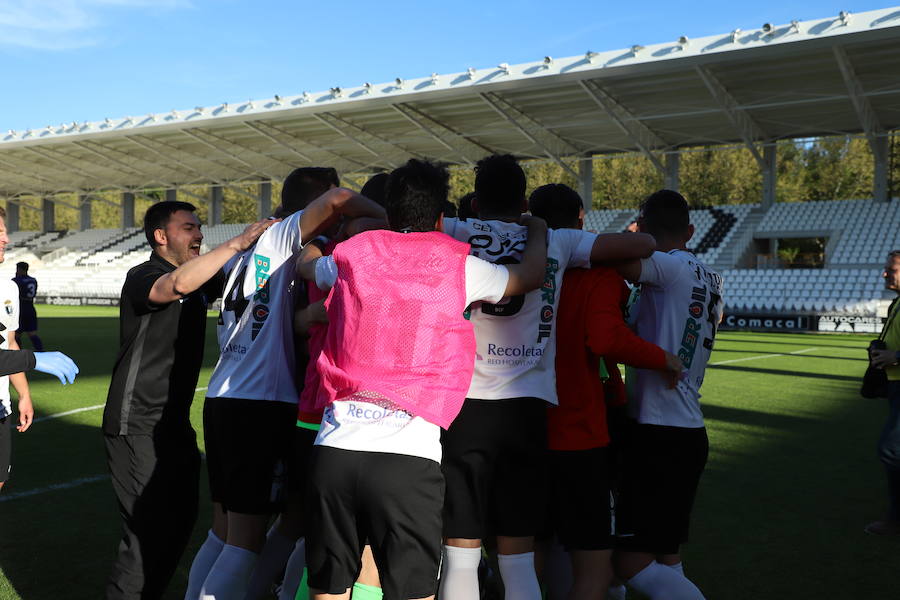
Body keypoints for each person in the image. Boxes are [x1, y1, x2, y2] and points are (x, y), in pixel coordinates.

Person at [297, 158, 548, 600]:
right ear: (440, 218)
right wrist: (539, 230)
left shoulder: (353, 255)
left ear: (388, 214)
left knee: (329, 592)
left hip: (334, 447)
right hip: (407, 454)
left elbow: (308, 267)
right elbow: (526, 277)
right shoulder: (458, 263)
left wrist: (315, 244)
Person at [437, 155, 656, 600]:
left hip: (464, 405)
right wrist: (543, 231)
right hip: (527, 410)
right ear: (522, 201)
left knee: (462, 553)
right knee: (519, 561)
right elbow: (644, 245)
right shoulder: (557, 239)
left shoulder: (454, 231)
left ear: (475, 202)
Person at [188, 175, 387, 600]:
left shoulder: (248, 249)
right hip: (259, 405)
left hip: (225, 396)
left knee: (223, 533)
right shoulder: (280, 238)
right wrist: (395, 223)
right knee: (245, 542)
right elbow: (339, 198)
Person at [103, 200, 275, 600]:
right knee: (147, 533)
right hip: (137, 423)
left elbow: (234, 278)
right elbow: (175, 286)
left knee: (179, 525)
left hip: (175, 425)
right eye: (187, 228)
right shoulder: (144, 274)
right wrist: (236, 242)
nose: (198, 234)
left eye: (199, 227)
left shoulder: (200, 279)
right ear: (160, 236)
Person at [528, 184, 683, 600]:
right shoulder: (597, 274)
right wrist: (663, 358)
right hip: (577, 433)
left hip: (522, 429)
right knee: (594, 567)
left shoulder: (515, 265)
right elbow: (606, 338)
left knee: (526, 558)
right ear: (581, 220)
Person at [612, 190, 724, 600]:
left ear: (642, 231)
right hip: (687, 429)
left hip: (658, 435)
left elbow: (612, 259)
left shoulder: (668, 267)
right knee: (667, 554)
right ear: (691, 230)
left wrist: (630, 239)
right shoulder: (711, 276)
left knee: (626, 563)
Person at [0, 209, 78, 492]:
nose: (7, 238)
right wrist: (35, 358)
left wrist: (24, 394)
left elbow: (8, 343)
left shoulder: (8, 288)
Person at [866, 249, 900, 536]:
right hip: (894, 386)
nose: (885, 273)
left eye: (892, 269)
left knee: (891, 450)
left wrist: (895, 356)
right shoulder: (897, 303)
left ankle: (895, 520)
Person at [12, 262, 43, 351]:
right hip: (31, 308)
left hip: (20, 309)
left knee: (16, 334)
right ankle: (41, 352)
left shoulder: (16, 280)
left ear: (20, 269)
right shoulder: (33, 280)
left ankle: (18, 353)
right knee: (32, 333)